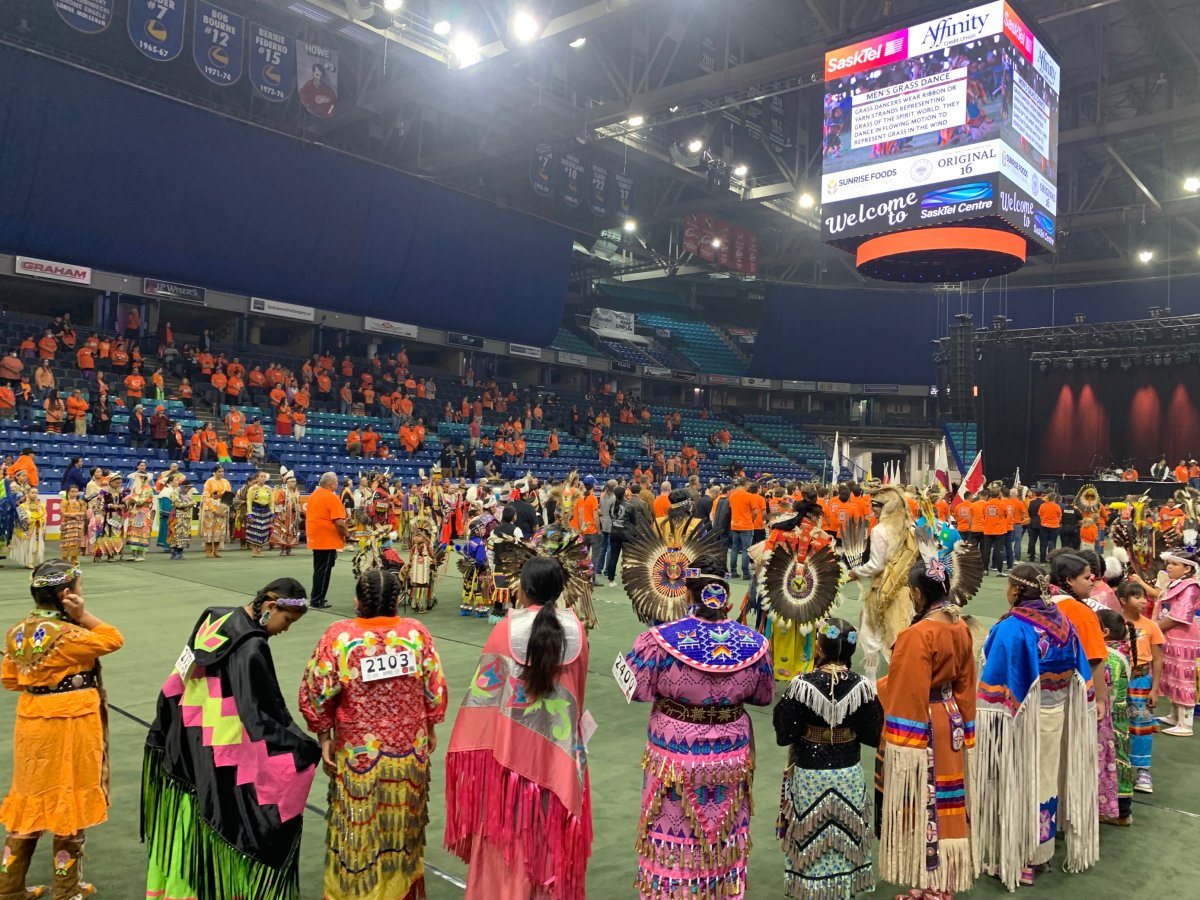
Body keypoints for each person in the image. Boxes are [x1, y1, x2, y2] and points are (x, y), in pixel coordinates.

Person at [143, 578, 319, 900]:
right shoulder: (252, 647)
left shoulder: (214, 618)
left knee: (189, 823)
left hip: (186, 739)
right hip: (219, 755)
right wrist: (303, 749)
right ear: (270, 607)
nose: (285, 629)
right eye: (287, 621)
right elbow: (262, 717)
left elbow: (178, 677)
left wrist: (166, 722)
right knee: (219, 817)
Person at [622, 559, 774, 898]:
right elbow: (763, 696)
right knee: (722, 831)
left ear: (688, 593)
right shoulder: (754, 643)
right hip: (729, 755)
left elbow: (634, 688)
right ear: (724, 595)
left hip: (675, 752)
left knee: (673, 827)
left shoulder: (658, 641)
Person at [444, 557, 592, 900]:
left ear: (523, 590)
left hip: (509, 757)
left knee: (506, 830)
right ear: (559, 590)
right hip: (559, 756)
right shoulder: (575, 630)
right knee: (550, 830)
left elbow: (484, 694)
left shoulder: (505, 630)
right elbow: (578, 695)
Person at [300, 569, 449, 900]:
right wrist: (430, 725)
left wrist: (324, 735)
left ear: (357, 601)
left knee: (358, 826)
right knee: (402, 824)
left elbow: (317, 691)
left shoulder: (339, 637)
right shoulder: (415, 634)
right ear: (397, 600)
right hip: (409, 749)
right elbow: (434, 688)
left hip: (358, 753)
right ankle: (399, 888)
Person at [1, 561, 122, 900]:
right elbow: (113, 638)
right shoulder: (71, 634)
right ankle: (67, 891)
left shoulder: (16, 632)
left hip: (31, 724)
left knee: (30, 800)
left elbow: (10, 679)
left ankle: (9, 889)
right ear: (65, 594)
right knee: (70, 796)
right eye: (79, 588)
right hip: (72, 723)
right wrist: (83, 615)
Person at [973, 563, 1098, 889]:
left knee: (1016, 783)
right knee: (1044, 783)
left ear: (1015, 590)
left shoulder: (1015, 628)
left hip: (1019, 723)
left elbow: (994, 686)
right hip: (1054, 718)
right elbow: (1081, 675)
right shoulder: (1062, 624)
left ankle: (1017, 860)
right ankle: (1039, 854)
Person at [878, 557, 979, 896]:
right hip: (949, 717)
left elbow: (907, 689)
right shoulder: (959, 626)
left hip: (925, 725)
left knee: (926, 799)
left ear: (918, 593)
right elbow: (966, 683)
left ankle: (932, 884)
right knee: (946, 799)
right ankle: (938, 883)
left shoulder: (918, 634)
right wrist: (966, 728)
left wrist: (901, 742)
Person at [773, 618, 882, 899]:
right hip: (848, 773)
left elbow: (784, 733)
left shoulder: (802, 685)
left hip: (811, 772)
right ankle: (842, 890)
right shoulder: (863, 687)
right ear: (851, 651)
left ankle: (811, 889)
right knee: (844, 836)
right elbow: (872, 734)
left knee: (812, 839)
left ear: (819, 647)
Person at [852, 486, 918, 682]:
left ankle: (872, 682)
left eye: (878, 505)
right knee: (900, 635)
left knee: (870, 635)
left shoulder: (879, 530)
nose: (874, 509)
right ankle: (902, 680)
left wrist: (857, 572)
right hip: (903, 589)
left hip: (881, 590)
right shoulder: (909, 527)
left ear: (889, 507)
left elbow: (876, 564)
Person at [1118, 580, 1163, 793]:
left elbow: (1157, 660)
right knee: (1116, 722)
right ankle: (1117, 766)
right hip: (1118, 680)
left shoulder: (1151, 626)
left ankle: (1143, 770)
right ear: (1123, 601)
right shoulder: (1114, 623)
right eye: (1137, 597)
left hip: (1141, 681)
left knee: (1141, 724)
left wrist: (1154, 689)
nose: (1144, 601)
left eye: (1144, 597)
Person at [1152, 548, 1200, 736]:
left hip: (1183, 637)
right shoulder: (1176, 583)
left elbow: (1179, 616)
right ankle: (1175, 715)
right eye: (1169, 563)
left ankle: (1186, 724)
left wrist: (1154, 630)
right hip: (1170, 635)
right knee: (1172, 674)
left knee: (1182, 676)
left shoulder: (1191, 587)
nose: (1169, 567)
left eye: (1175, 564)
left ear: (1187, 569)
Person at [1096, 607, 1133, 826]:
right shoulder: (1125, 652)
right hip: (1121, 718)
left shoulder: (1106, 657)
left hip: (1107, 719)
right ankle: (1123, 812)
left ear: (1105, 632)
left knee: (1109, 761)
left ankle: (1109, 810)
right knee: (1121, 758)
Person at [307, 472, 348, 609]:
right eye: (336, 482)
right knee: (324, 570)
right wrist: (348, 535)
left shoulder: (314, 495)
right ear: (331, 484)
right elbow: (339, 523)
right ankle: (317, 599)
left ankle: (316, 597)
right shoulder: (331, 497)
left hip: (316, 537)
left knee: (319, 569)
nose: (337, 484)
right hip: (327, 539)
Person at [199, 464, 231, 558]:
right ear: (215, 472)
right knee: (209, 530)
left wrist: (224, 508)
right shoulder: (209, 481)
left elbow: (228, 495)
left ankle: (216, 550)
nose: (221, 473)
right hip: (210, 508)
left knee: (219, 530)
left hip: (222, 507)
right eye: (219, 471)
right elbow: (206, 496)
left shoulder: (226, 482)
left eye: (222, 471)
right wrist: (213, 509)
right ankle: (208, 551)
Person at [269, 473, 302, 556]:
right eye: (292, 481)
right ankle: (283, 550)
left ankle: (289, 549)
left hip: (293, 516)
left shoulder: (296, 492)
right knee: (284, 532)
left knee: (292, 532)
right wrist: (281, 515)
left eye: (295, 481)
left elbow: (298, 504)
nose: (294, 483)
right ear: (287, 483)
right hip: (284, 516)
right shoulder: (282, 491)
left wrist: (298, 515)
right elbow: (277, 503)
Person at [244, 472, 275, 558]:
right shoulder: (252, 489)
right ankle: (254, 549)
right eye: (261, 476)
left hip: (266, 511)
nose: (263, 478)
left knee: (263, 531)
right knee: (255, 530)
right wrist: (249, 514)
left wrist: (272, 513)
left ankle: (260, 549)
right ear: (257, 478)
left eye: (264, 477)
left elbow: (271, 502)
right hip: (255, 511)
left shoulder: (269, 489)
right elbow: (249, 502)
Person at [166, 474, 195, 560]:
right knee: (176, 534)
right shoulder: (174, 493)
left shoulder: (185, 495)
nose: (188, 490)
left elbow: (187, 505)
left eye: (189, 488)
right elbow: (178, 504)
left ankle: (180, 552)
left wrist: (189, 504)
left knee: (184, 535)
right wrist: (190, 503)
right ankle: (174, 553)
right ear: (183, 486)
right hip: (177, 517)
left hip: (185, 517)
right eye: (187, 488)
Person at [59, 483, 87, 564]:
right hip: (67, 524)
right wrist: (74, 515)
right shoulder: (65, 502)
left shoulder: (81, 502)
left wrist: (75, 515)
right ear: (68, 492)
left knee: (76, 541)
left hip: (77, 525)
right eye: (72, 491)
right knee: (66, 541)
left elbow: (83, 512)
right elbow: (63, 512)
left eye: (76, 492)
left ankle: (74, 558)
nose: (74, 493)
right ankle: (64, 557)